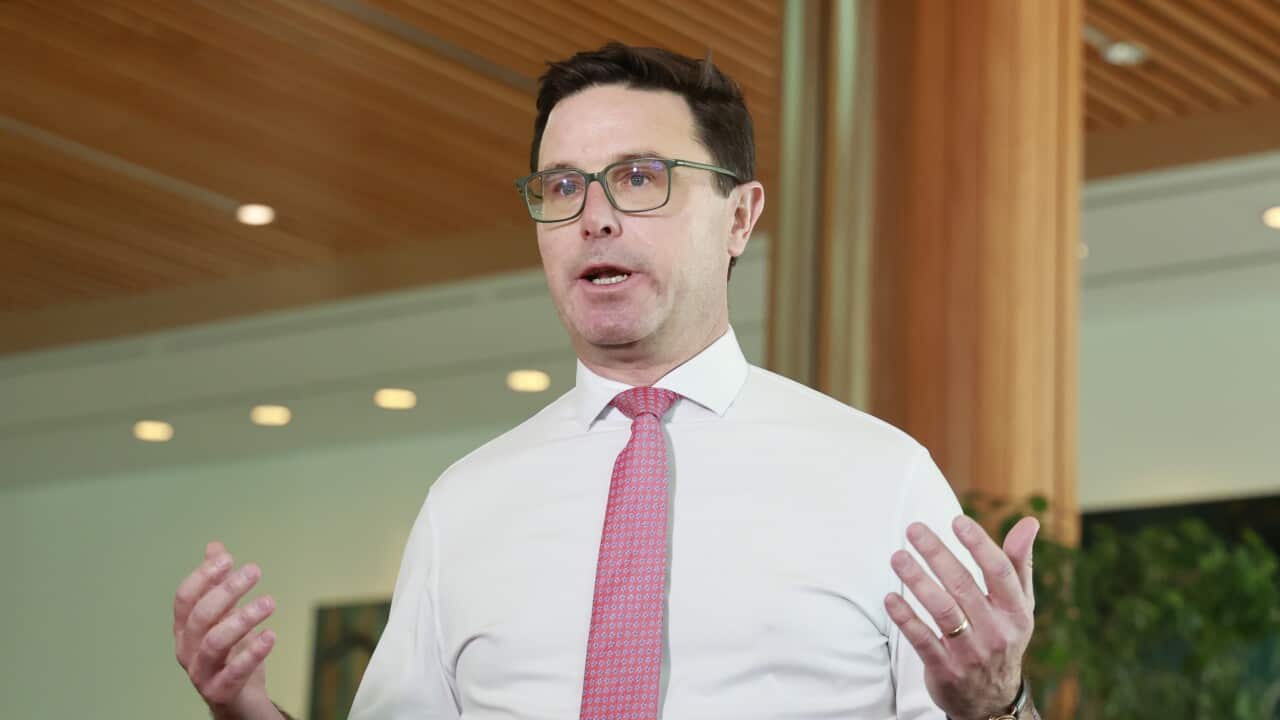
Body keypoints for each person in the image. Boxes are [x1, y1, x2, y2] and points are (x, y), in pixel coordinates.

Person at [173, 43, 1042, 720]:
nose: (594, 216)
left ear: (739, 217)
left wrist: (997, 706)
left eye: (638, 178)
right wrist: (241, 706)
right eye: (561, 187)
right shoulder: (466, 504)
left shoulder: (880, 478)